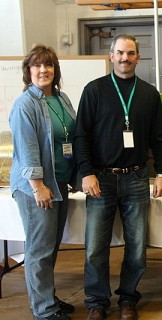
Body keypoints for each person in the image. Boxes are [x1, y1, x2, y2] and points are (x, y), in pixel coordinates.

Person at [74, 34, 162, 320]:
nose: (125, 58)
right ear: (111, 56)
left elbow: (159, 138)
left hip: (137, 179)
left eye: (130, 53)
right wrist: (86, 172)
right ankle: (97, 302)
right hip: (100, 180)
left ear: (138, 57)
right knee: (95, 248)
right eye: (120, 53)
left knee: (137, 247)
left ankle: (128, 299)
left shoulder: (149, 93)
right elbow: (81, 136)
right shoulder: (94, 90)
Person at [9, 44, 77, 320]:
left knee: (50, 247)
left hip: (59, 184)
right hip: (36, 188)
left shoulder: (62, 99)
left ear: (55, 70)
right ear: (28, 71)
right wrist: (38, 186)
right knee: (38, 250)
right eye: (36, 65)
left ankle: (46, 298)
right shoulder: (25, 104)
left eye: (48, 65)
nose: (43, 70)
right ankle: (44, 310)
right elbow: (27, 150)